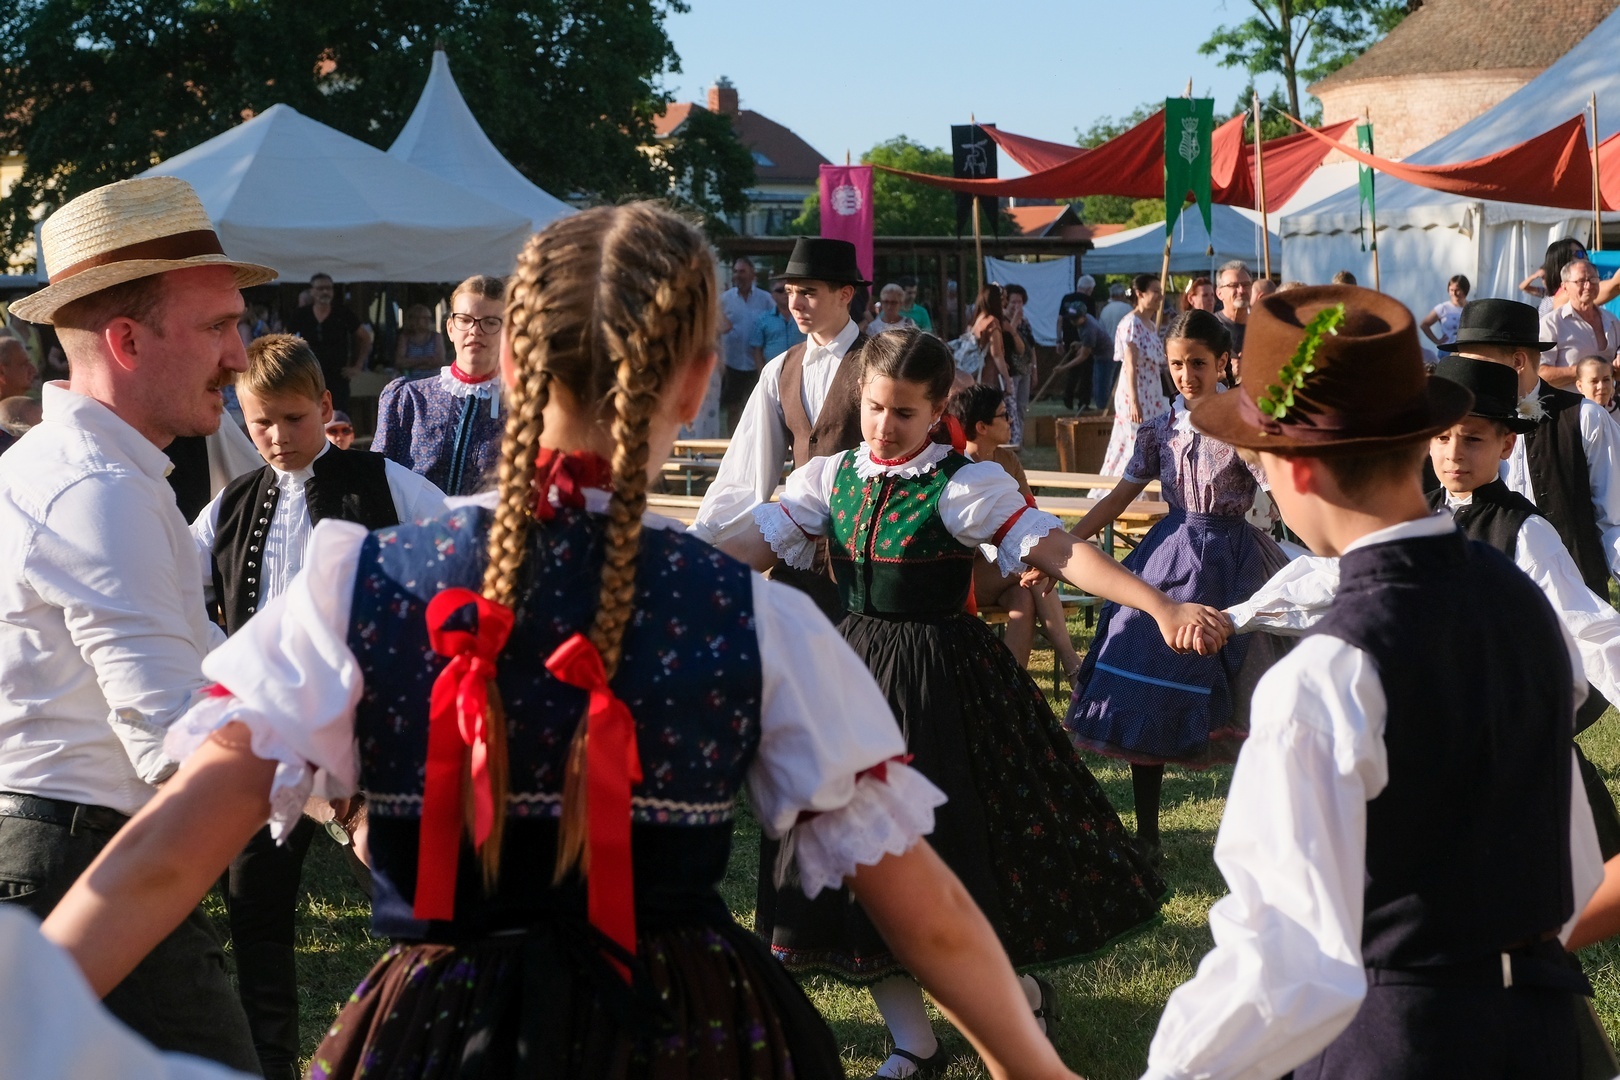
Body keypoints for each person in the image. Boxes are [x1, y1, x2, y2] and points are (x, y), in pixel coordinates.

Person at [40, 202, 1078, 1080]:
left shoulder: (357, 584)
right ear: (696, 381)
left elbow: (163, 860)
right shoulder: (752, 616)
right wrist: (1038, 1069)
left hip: (441, 1034)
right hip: (688, 1031)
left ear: (511, 362)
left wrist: (25, 1009)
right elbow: (926, 912)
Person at [725, 328, 1225, 1079]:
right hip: (848, 676)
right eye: (874, 408)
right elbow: (747, 548)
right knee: (844, 857)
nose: (884, 427)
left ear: (937, 414)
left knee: (949, 858)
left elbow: (1061, 551)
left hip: (938, 686)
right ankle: (913, 1041)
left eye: (904, 413)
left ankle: (1018, 997)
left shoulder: (962, 485)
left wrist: (1158, 605)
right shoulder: (831, 478)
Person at [1141, 283, 1605, 1080]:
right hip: (1547, 1035)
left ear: (1299, 472)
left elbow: (1283, 962)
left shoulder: (1325, 678)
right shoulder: (1523, 606)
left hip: (1404, 1043)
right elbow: (1574, 863)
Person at [0, 175, 275, 1072]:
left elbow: (199, 668)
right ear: (125, 340)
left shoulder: (76, 469)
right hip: (79, 863)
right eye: (218, 326)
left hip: (61, 855)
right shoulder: (99, 488)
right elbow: (173, 736)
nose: (239, 356)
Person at [188, 334, 444, 1080]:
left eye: (293, 418)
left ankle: (416, 1048)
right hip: (265, 740)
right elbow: (180, 587)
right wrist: (230, 663)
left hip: (368, 737)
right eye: (259, 422)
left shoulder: (386, 483)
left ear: (327, 406)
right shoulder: (233, 502)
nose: (276, 436)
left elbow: (459, 566)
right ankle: (270, 1063)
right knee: (256, 909)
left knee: (407, 903)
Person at [1063, 310, 1289, 864]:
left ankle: (1263, 833)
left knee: (1250, 692)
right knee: (1146, 677)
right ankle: (1147, 835)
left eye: (1198, 363)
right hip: (1168, 556)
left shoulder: (1242, 422)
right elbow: (1120, 495)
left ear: (1224, 362)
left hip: (1234, 562)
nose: (1186, 375)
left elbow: (1283, 494)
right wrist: (1065, 544)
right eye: (1177, 364)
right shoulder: (1161, 425)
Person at [691, 237, 869, 550]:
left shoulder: (878, 364)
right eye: (790, 292)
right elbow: (747, 469)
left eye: (808, 292)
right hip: (799, 547)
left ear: (845, 294)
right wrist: (703, 535)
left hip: (866, 543)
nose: (794, 304)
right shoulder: (779, 370)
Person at [949, 382, 1083, 677]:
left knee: (1023, 597)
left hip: (1004, 568)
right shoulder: (956, 465)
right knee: (1031, 570)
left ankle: (1010, 685)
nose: (1011, 420)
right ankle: (1072, 662)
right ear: (981, 426)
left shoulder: (1008, 460)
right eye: (1003, 415)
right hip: (966, 573)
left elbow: (1029, 513)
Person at [372, 275, 506, 497]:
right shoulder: (410, 398)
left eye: (490, 322)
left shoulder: (521, 406)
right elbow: (376, 479)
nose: (475, 330)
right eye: (465, 320)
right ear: (450, 328)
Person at [1091, 274, 1169, 495]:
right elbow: (1130, 366)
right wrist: (1134, 401)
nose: (1160, 296)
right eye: (1155, 291)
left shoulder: (1150, 325)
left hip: (1153, 392)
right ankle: (1122, 494)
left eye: (1160, 291)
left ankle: (1150, 495)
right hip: (1136, 393)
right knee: (1136, 443)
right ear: (1140, 294)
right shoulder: (1131, 324)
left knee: (1153, 443)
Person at [283, 272, 372, 413]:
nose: (325, 292)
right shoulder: (301, 314)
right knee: (311, 415)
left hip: (338, 378)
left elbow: (365, 337)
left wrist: (358, 366)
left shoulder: (343, 313)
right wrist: (292, 368)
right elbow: (284, 340)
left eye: (328, 288)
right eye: (320, 288)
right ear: (312, 291)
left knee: (338, 417)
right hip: (310, 377)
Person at [1540, 259, 1620, 384]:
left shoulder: (1611, 320)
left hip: (1609, 396)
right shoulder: (1551, 323)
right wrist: (1586, 371)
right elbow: (1541, 373)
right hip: (1568, 396)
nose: (1588, 286)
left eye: (1593, 279)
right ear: (1565, 287)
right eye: (1581, 281)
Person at [720, 257, 776, 431]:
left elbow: (775, 320)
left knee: (758, 410)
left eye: (742, 271)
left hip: (756, 364)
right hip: (732, 363)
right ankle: (732, 443)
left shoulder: (765, 299)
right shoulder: (724, 299)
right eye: (736, 272)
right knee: (733, 408)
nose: (738, 275)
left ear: (753, 274)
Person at [1055, 294, 1110, 412]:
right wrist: (1080, 344)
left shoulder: (1089, 330)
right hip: (1098, 354)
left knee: (1101, 387)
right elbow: (1092, 341)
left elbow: (1083, 356)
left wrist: (1063, 368)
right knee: (1098, 385)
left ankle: (1103, 412)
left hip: (1106, 357)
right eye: (1071, 318)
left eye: (1075, 318)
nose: (1072, 321)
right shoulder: (1085, 320)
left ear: (1083, 316)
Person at [1001, 283, 1035, 445]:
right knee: (1011, 408)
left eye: (1020, 302)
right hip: (1011, 370)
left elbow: (1031, 347)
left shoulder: (1025, 322)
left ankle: (1019, 442)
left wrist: (1034, 368)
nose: (1017, 305)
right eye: (1013, 302)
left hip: (1025, 369)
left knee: (1021, 407)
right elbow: (1008, 342)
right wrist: (1014, 321)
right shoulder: (1003, 321)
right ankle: (1011, 441)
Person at [748, 279, 805, 373]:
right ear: (772, 295)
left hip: (801, 369)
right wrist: (762, 373)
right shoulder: (763, 319)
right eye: (780, 290)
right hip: (774, 371)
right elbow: (757, 350)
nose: (785, 293)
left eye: (788, 290)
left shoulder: (804, 317)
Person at [392, 302, 445, 377]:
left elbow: (440, 361)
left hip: (434, 378)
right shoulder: (405, 338)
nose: (428, 321)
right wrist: (426, 360)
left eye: (429, 318)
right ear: (414, 320)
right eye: (424, 318)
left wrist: (412, 363)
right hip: (411, 379)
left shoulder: (436, 337)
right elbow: (400, 362)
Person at [1213, 261, 1253, 360]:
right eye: (1233, 285)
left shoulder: (1261, 327)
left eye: (1246, 284)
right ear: (1219, 293)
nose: (1241, 290)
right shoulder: (1209, 327)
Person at [1420, 273, 1470, 347]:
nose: (1454, 293)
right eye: (1451, 290)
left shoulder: (1471, 308)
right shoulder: (1443, 308)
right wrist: (1437, 341)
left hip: (1465, 349)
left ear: (1465, 290)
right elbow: (1424, 325)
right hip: (1447, 349)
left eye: (1457, 290)